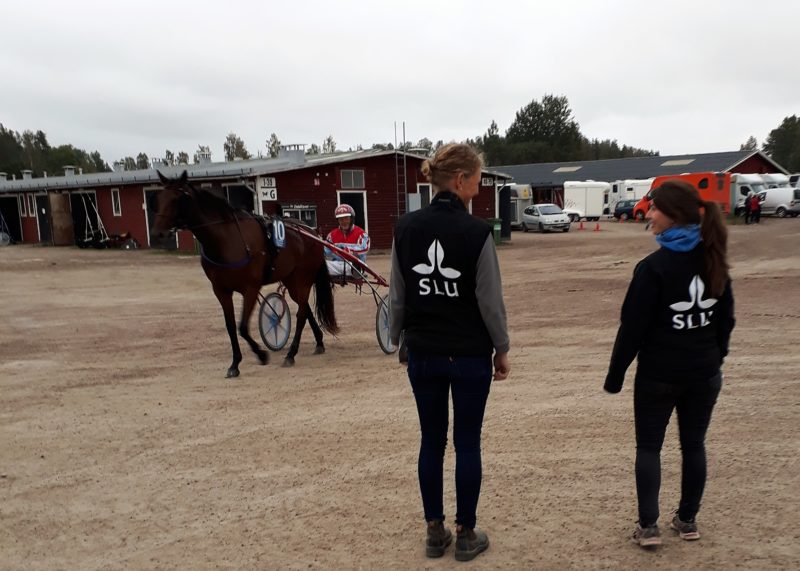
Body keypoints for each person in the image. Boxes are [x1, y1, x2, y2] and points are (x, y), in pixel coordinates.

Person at [388, 143, 510, 562]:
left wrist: (398, 339)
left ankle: (434, 529)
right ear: (460, 181)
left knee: (431, 441)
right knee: (468, 442)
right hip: (471, 355)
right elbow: (489, 301)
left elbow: (399, 294)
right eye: (477, 179)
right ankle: (466, 533)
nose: (479, 186)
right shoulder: (477, 232)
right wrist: (502, 349)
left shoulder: (406, 228)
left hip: (423, 353)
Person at [604, 180, 735, 548]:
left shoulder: (653, 268)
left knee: (649, 448)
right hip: (704, 374)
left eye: (656, 208)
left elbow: (632, 329)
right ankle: (688, 521)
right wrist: (714, 357)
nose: (649, 212)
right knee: (694, 445)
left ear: (674, 215)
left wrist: (616, 376)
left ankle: (649, 528)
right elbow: (726, 320)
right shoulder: (714, 257)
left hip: (658, 375)